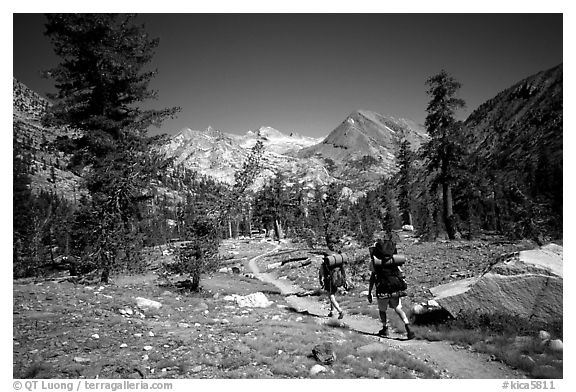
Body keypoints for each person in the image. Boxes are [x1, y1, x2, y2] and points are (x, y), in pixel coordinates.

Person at [367, 232, 415, 339]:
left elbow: (372, 278)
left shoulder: (375, 262)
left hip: (382, 289)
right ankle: (408, 327)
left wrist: (369, 292)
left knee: (382, 310)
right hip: (394, 287)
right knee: (398, 308)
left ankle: (385, 328)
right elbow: (401, 273)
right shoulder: (393, 260)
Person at [319, 255, 348, 319]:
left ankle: (340, 311)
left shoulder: (324, 265)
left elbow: (321, 274)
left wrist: (321, 281)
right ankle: (332, 311)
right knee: (332, 295)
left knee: (331, 297)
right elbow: (343, 272)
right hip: (336, 281)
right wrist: (345, 281)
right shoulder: (338, 264)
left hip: (328, 282)